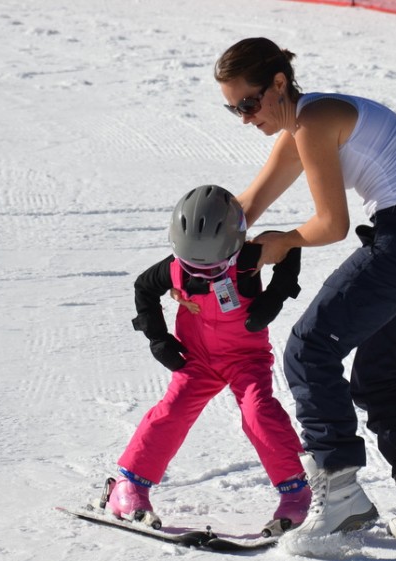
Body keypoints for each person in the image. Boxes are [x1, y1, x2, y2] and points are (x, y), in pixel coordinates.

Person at [213, 37, 396, 542]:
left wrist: (284, 243)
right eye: (233, 110)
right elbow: (247, 206)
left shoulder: (313, 123)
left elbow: (332, 225)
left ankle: (340, 499)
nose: (246, 117)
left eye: (249, 103)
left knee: (309, 349)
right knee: (377, 373)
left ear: (278, 84)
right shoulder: (302, 127)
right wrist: (194, 252)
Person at [101, 184, 311, 536]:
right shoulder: (173, 268)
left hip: (245, 358)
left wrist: (273, 298)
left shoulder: (247, 259)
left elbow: (290, 250)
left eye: (213, 269)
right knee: (173, 411)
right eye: (192, 267)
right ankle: (128, 488)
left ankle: (298, 492)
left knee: (259, 413)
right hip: (195, 359)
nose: (201, 274)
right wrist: (159, 338)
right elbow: (144, 287)